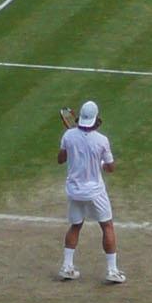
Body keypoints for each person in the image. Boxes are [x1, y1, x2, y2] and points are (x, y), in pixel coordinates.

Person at [57, 98, 125, 285]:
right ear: (95, 118)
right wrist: (101, 163)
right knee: (107, 226)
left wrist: (69, 145)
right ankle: (112, 270)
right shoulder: (102, 140)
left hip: (74, 191)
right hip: (95, 192)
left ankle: (67, 267)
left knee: (75, 226)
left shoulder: (68, 136)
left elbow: (60, 159)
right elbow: (110, 168)